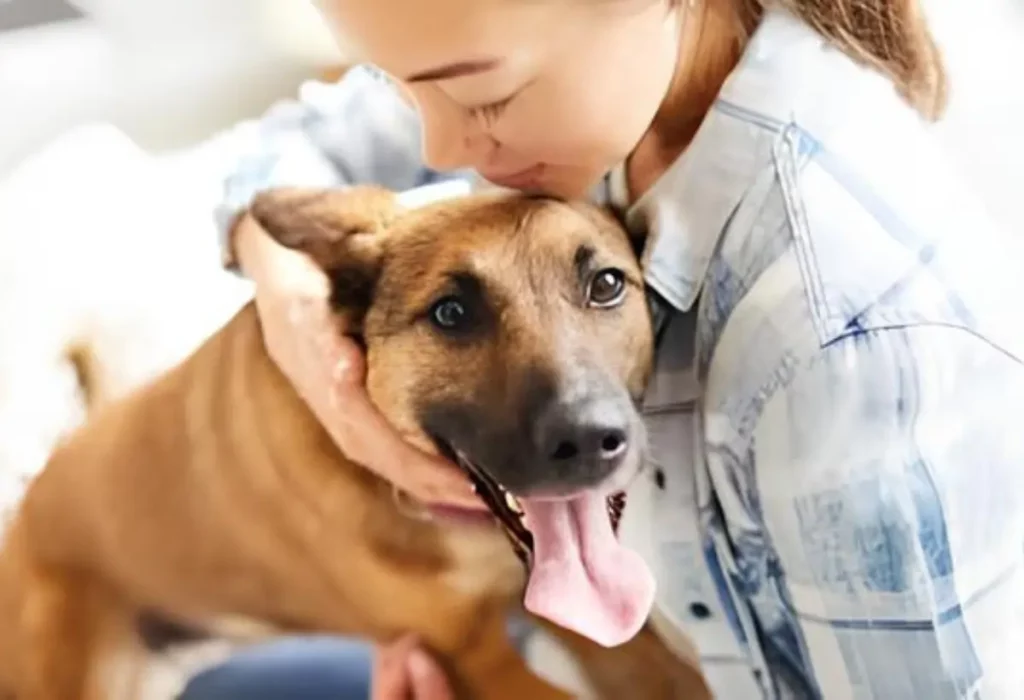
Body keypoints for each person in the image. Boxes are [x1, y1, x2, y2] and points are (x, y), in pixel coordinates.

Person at [182, 0, 1024, 697]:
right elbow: (275, 155)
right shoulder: (588, 89)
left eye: (483, 96)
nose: (437, 154)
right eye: (406, 94)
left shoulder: (837, 341)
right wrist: (303, 326)